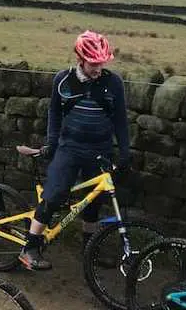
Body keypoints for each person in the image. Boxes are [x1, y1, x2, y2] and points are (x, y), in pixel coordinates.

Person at [20, 30, 130, 271]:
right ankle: (29, 248)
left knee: (94, 201)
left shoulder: (113, 83)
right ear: (81, 58)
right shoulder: (63, 80)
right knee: (54, 194)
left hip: (100, 150)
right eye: (93, 63)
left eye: (102, 62)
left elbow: (121, 119)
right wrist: (52, 142)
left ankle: (89, 250)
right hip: (69, 147)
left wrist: (124, 151)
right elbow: (54, 113)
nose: (98, 67)